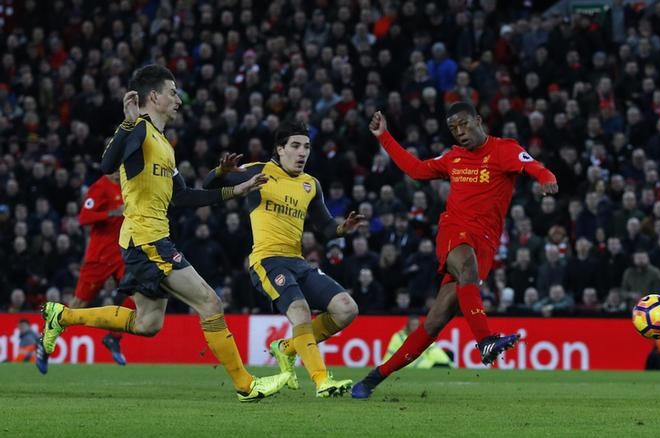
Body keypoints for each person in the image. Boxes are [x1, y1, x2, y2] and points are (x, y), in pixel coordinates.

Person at [38, 65, 289, 402]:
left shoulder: (164, 145)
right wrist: (126, 122)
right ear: (153, 97)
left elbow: (183, 196)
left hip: (148, 239)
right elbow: (107, 166)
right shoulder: (139, 130)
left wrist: (238, 189)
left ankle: (61, 316)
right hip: (147, 240)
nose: (179, 100)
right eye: (172, 92)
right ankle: (246, 385)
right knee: (210, 302)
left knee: (148, 325)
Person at [353, 102, 558, 398]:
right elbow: (416, 169)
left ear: (478, 119)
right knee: (466, 266)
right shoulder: (453, 158)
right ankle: (485, 340)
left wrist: (547, 178)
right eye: (453, 128)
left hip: (485, 243)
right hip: (455, 232)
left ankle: (372, 379)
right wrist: (384, 136)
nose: (460, 132)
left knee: (435, 322)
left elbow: (533, 166)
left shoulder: (504, 150)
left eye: (464, 124)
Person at [203, 120, 365, 397]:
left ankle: (286, 348)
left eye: (307, 147)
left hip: (298, 262)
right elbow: (209, 185)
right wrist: (221, 170)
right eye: (295, 146)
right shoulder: (258, 171)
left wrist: (341, 229)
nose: (302, 153)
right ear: (280, 149)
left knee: (347, 308)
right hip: (267, 261)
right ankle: (322, 380)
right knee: (300, 310)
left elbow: (325, 226)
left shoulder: (310, 185)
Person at [35, 171, 132, 374]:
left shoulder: (129, 184)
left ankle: (113, 338)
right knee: (78, 305)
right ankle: (45, 344)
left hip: (122, 256)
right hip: (98, 258)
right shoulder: (100, 187)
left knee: (136, 295)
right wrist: (111, 213)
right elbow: (84, 217)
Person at [383, 315, 453, 369]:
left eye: (417, 325)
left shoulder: (421, 336)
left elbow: (433, 349)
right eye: (413, 325)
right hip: (395, 365)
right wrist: (432, 365)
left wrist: (445, 362)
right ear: (408, 326)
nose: (415, 327)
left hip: (423, 363)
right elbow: (403, 357)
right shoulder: (399, 337)